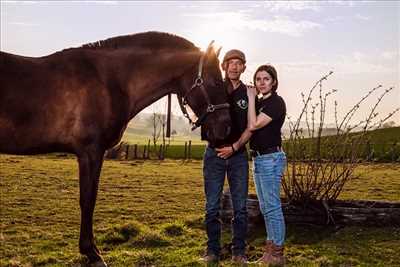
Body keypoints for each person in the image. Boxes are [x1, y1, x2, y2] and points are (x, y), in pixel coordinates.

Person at [201, 49, 252, 264]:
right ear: (223, 66)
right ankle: (213, 251)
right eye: (230, 63)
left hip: (238, 156)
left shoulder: (249, 93)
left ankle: (238, 252)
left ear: (243, 67)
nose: (234, 66)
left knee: (240, 207)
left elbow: (252, 126)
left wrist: (234, 147)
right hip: (214, 154)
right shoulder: (214, 88)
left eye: (238, 63)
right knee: (212, 206)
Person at [246, 64, 287, 266]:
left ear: (274, 82)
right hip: (259, 159)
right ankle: (269, 254)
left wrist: (251, 98)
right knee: (265, 208)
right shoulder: (262, 103)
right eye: (258, 79)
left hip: (271, 159)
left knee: (272, 207)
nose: (261, 82)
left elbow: (253, 125)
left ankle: (277, 255)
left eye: (266, 79)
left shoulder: (276, 103)